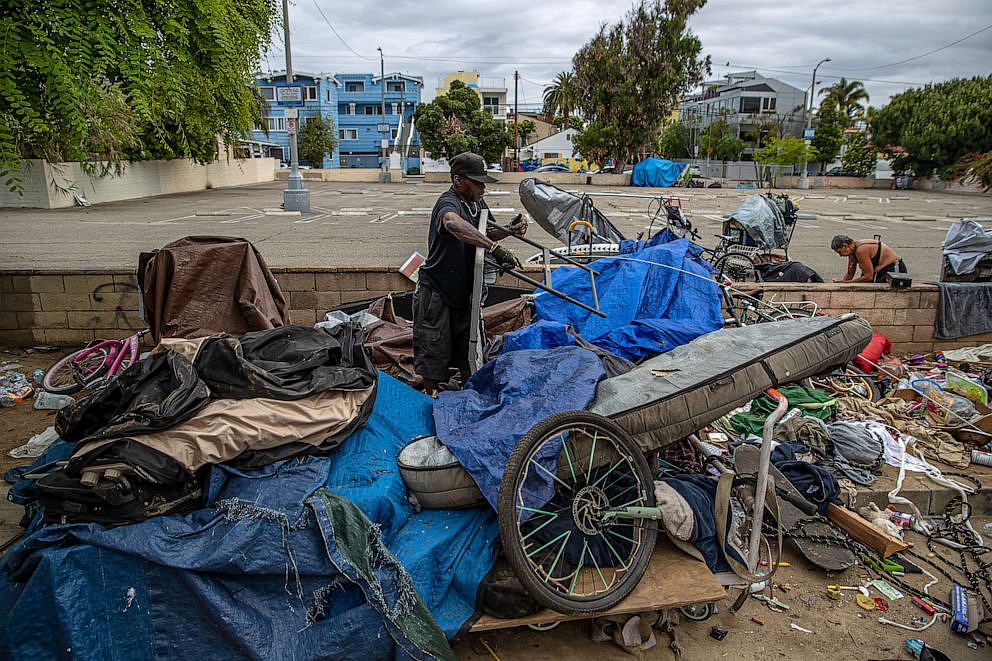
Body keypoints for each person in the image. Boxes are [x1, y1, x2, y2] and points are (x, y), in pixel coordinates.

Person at [413, 152, 527, 395]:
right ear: (458, 181)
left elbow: (485, 233)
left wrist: (508, 231)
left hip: (464, 292)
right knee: (434, 351)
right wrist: (493, 249)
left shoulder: (477, 204)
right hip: (437, 290)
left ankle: (471, 396)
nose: (482, 187)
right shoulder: (449, 202)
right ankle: (430, 398)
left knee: (467, 349)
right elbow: (453, 224)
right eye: (477, 182)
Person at [830, 235, 908, 283]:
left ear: (845, 246)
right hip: (878, 271)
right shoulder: (852, 252)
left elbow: (868, 276)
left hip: (894, 269)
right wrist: (841, 284)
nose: (840, 255)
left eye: (840, 252)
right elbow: (850, 274)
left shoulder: (861, 249)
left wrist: (848, 283)